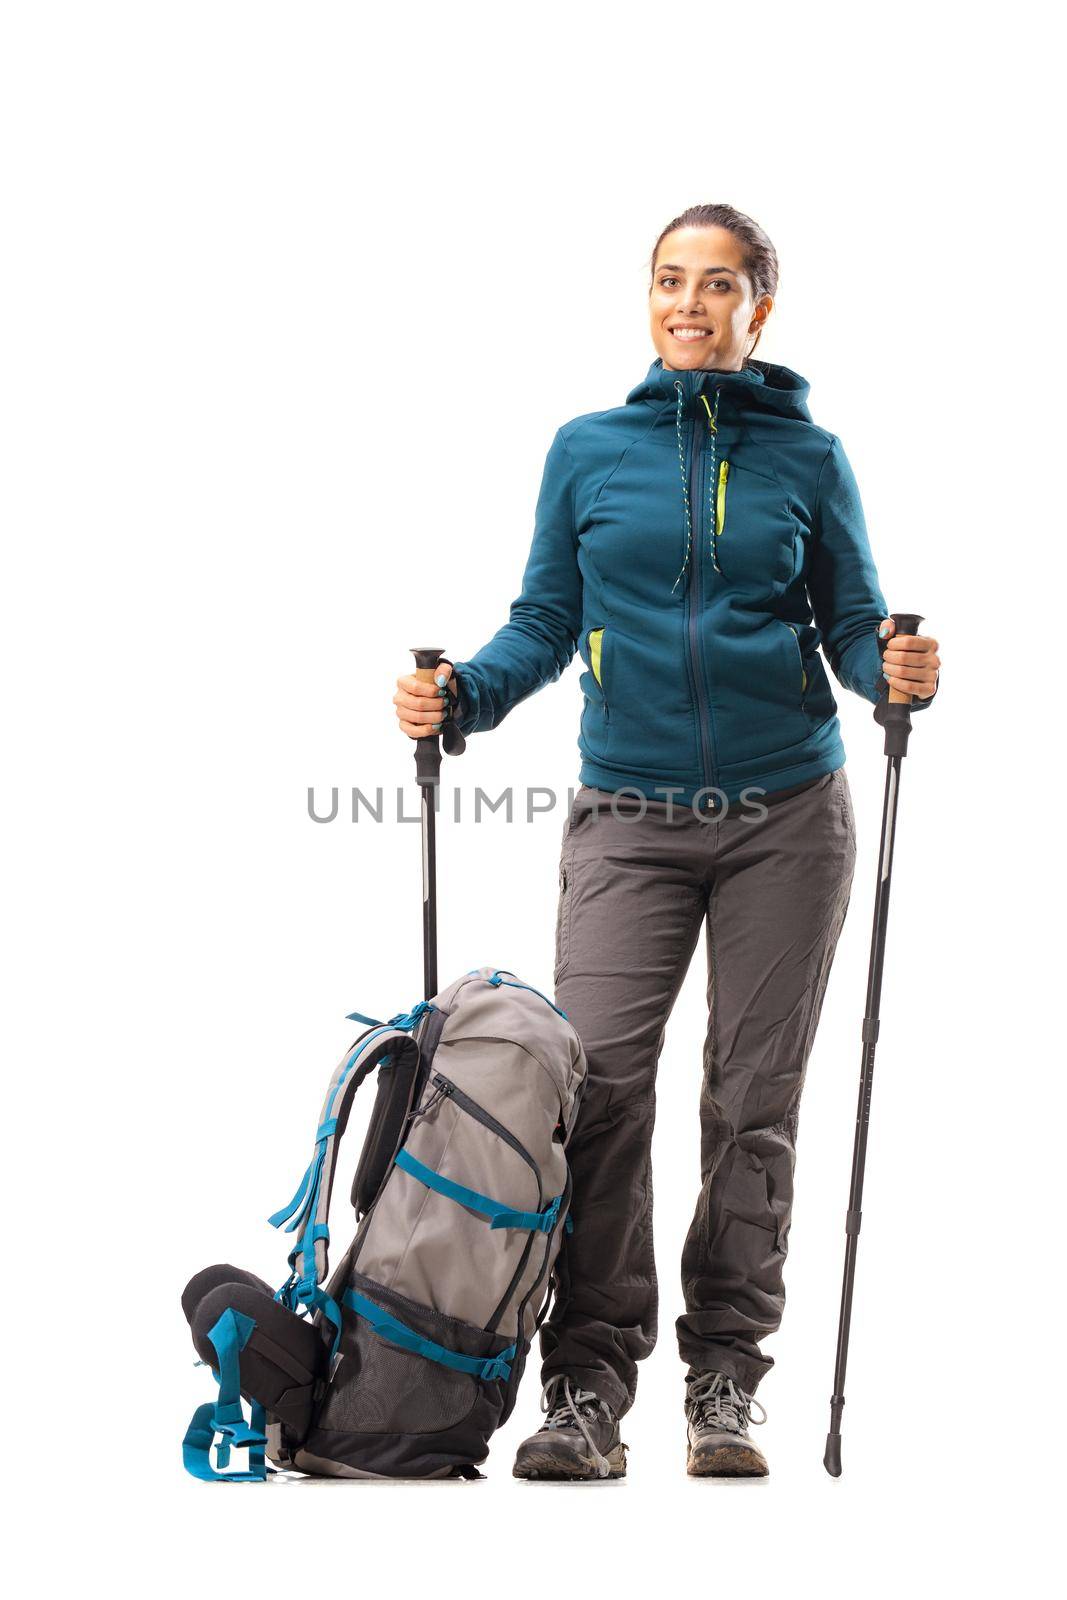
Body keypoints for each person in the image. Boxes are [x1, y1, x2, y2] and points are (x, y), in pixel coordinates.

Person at [392, 202, 940, 1480]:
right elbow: (543, 615)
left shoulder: (810, 458)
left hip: (786, 821)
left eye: (716, 285)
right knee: (599, 1096)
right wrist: (464, 695)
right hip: (627, 816)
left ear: (760, 308)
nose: (687, 304)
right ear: (647, 301)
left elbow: (849, 621)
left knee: (751, 1107)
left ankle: (725, 1379)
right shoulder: (587, 450)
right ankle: (584, 1383)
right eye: (666, 282)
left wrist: (890, 672)